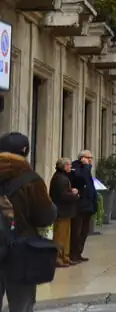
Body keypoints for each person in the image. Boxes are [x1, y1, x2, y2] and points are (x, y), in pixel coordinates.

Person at [0, 131, 57, 312]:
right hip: (19, 253)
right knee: (21, 306)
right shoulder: (31, 180)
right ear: (25, 152)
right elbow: (45, 216)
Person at [47, 159, 78, 268]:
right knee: (60, 236)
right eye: (69, 165)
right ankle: (58, 257)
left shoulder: (63, 177)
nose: (71, 167)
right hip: (61, 211)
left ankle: (65, 256)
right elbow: (62, 195)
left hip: (65, 211)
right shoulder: (59, 178)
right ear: (64, 166)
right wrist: (74, 195)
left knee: (65, 236)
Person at [68, 150, 97, 264]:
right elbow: (81, 180)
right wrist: (85, 166)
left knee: (84, 231)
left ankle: (79, 253)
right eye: (89, 158)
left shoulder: (87, 168)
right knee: (77, 231)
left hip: (88, 205)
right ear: (82, 158)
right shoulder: (77, 167)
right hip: (80, 206)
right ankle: (73, 253)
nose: (90, 160)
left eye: (91, 158)